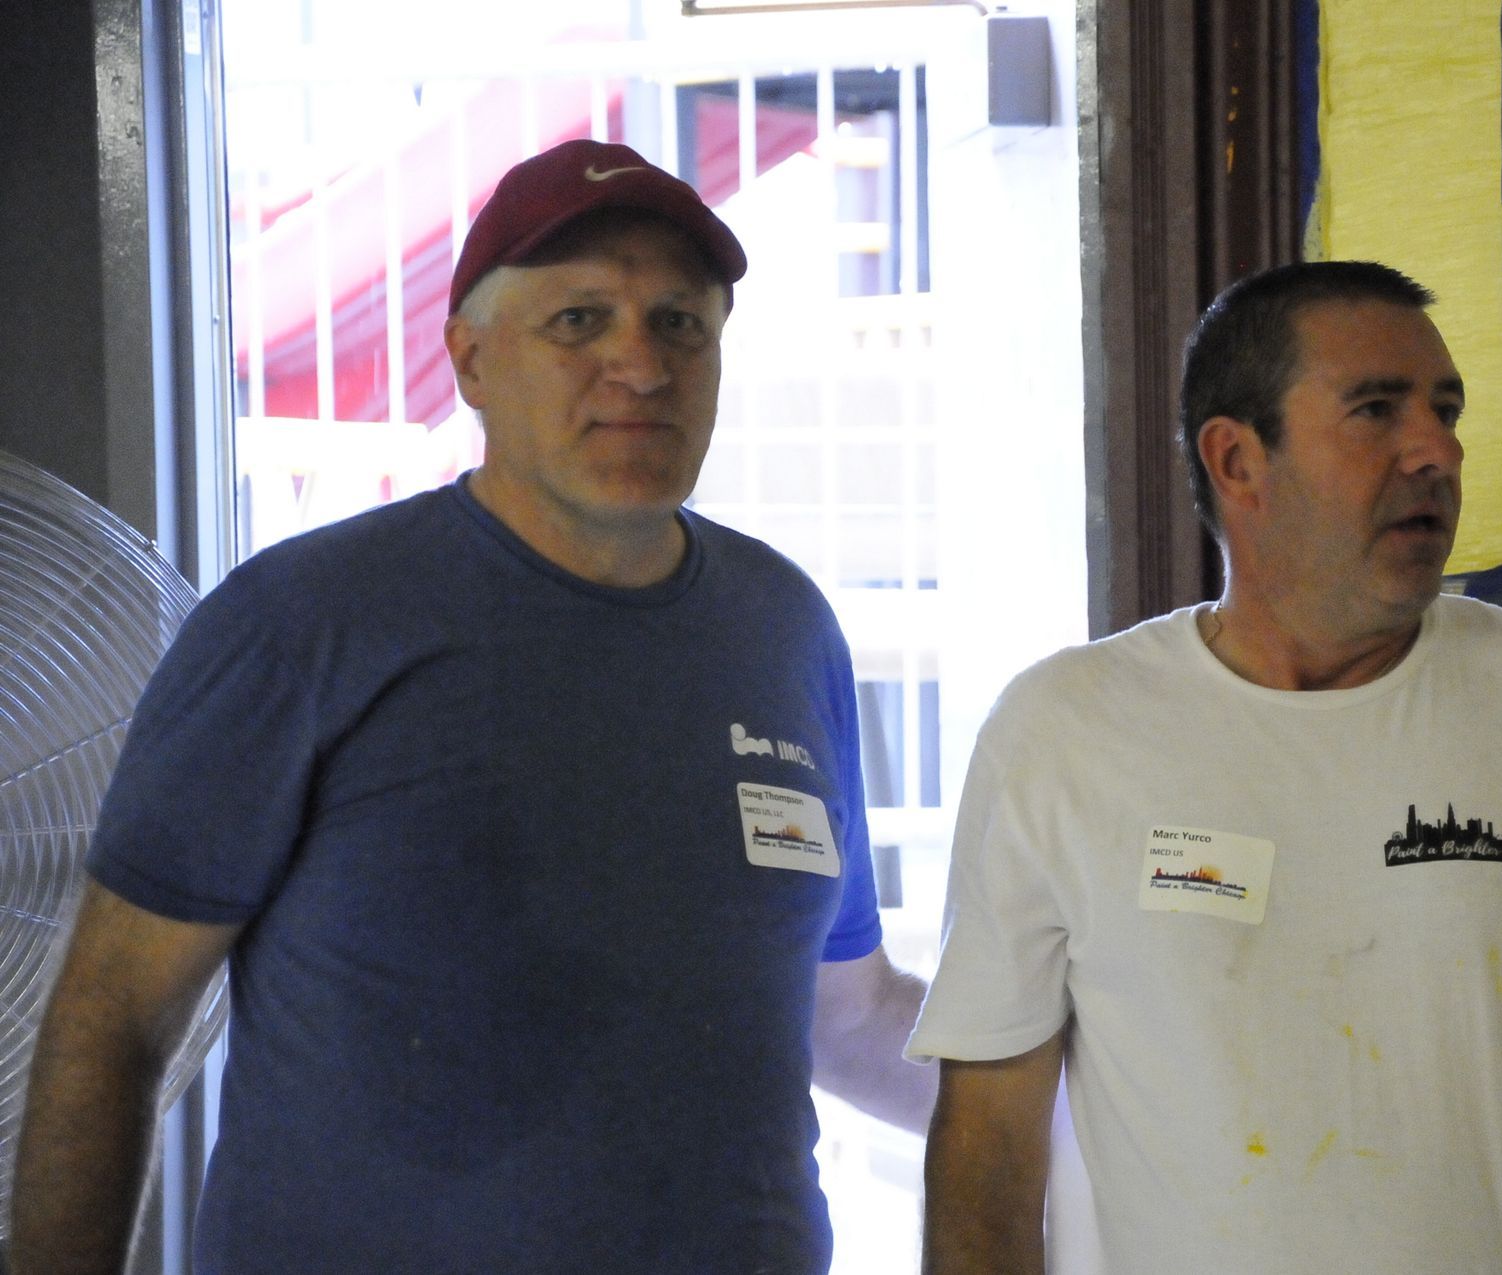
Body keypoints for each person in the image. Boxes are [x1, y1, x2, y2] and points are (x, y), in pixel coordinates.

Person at [11, 137, 934, 1274]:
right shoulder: (303, 623)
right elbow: (112, 1023)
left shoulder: (785, 628)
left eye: (678, 323)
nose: (640, 366)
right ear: (472, 361)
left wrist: (1138, 1085)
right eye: (580, 321)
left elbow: (848, 1021)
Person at [911, 262, 1502, 1274]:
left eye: (1447, 411)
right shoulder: (1062, 735)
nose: (1437, 451)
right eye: (1376, 410)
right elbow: (987, 1143)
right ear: (1238, 460)